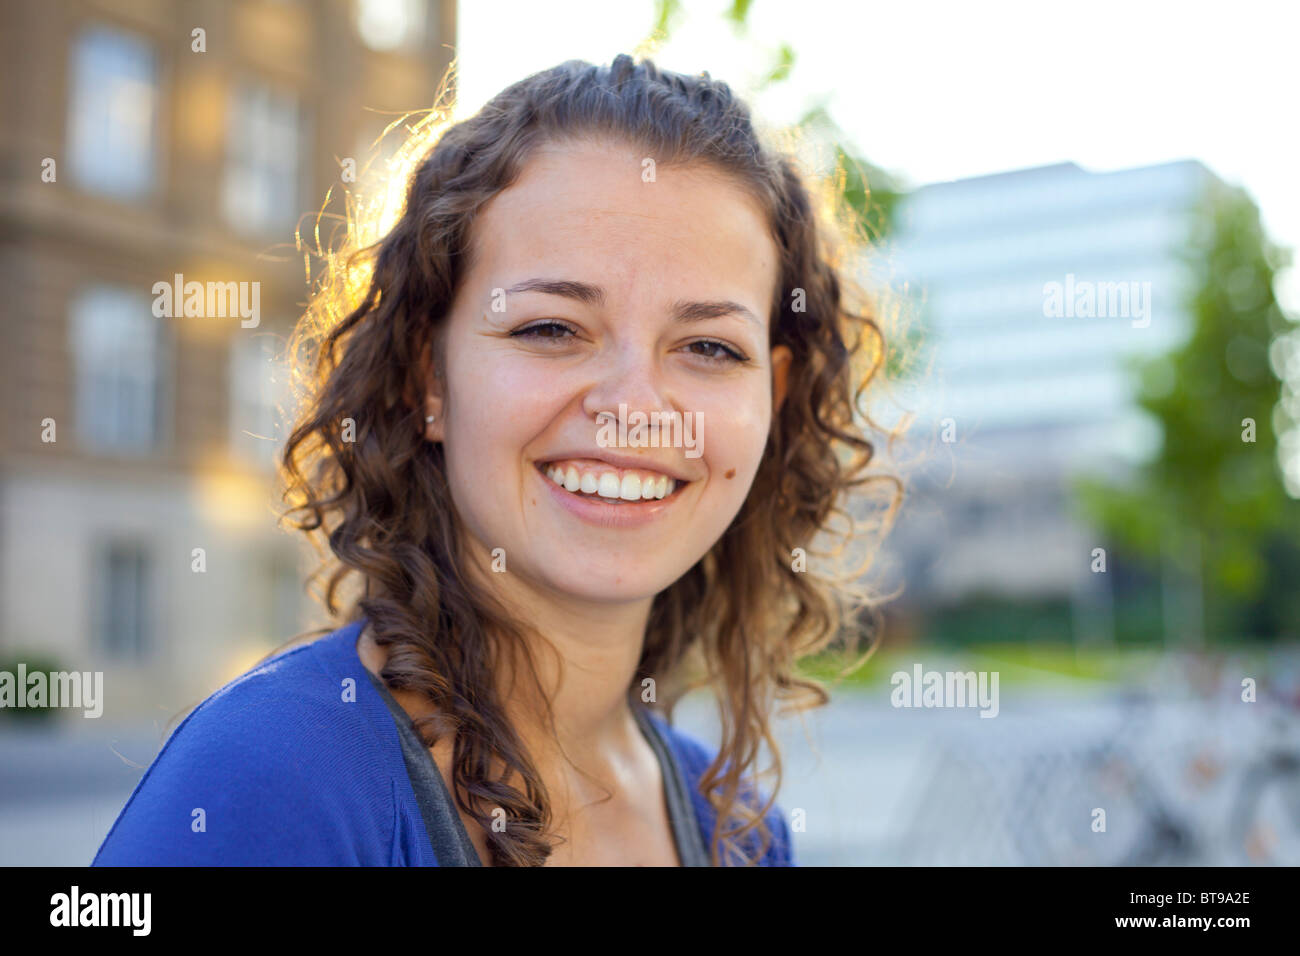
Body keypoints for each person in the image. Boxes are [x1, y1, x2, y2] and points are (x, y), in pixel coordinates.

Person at [94, 53, 894, 867]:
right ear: (427, 375)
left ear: (775, 393)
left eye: (710, 347)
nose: (635, 409)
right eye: (550, 328)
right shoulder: (274, 778)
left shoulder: (741, 834)